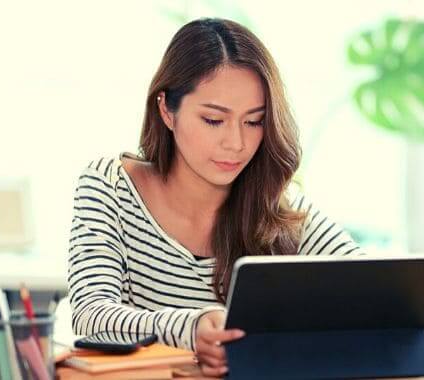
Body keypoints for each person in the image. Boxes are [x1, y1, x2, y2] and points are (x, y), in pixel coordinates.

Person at [67, 18, 363, 377]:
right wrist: (194, 328)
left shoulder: (277, 207)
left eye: (254, 122)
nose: (236, 143)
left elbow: (375, 296)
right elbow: (90, 316)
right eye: (213, 120)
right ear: (166, 109)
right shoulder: (108, 186)